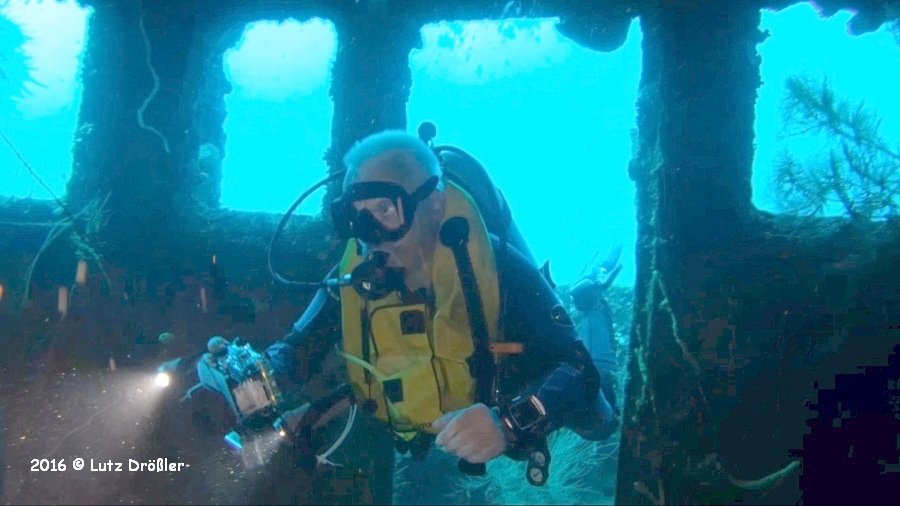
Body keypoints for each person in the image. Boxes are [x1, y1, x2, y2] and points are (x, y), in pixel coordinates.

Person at [264, 130, 617, 502]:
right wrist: (254, 378)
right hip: (437, 416)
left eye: (385, 210)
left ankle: (591, 303)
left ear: (434, 205)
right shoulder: (355, 277)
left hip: (515, 385)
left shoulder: (499, 268)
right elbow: (297, 351)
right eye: (356, 216)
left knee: (602, 421)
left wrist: (510, 424)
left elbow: (578, 369)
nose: (371, 236)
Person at [569, 248, 622, 413]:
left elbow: (586, 286)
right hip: (601, 367)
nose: (576, 304)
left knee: (604, 407)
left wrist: (603, 267)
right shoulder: (594, 311)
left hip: (600, 368)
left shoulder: (597, 310)